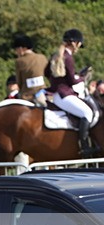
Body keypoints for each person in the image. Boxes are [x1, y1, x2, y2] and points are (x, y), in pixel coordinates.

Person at [46, 29, 95, 157]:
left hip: (56, 93)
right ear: (74, 43)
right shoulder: (68, 58)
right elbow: (72, 81)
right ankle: (84, 147)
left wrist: (57, 81)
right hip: (64, 94)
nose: (78, 47)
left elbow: (46, 72)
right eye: (79, 44)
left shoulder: (56, 55)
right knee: (88, 113)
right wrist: (82, 77)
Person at [13, 34, 48, 106]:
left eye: (16, 50)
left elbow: (19, 81)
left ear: (21, 48)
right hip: (42, 93)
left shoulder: (19, 61)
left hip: (27, 95)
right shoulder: (42, 57)